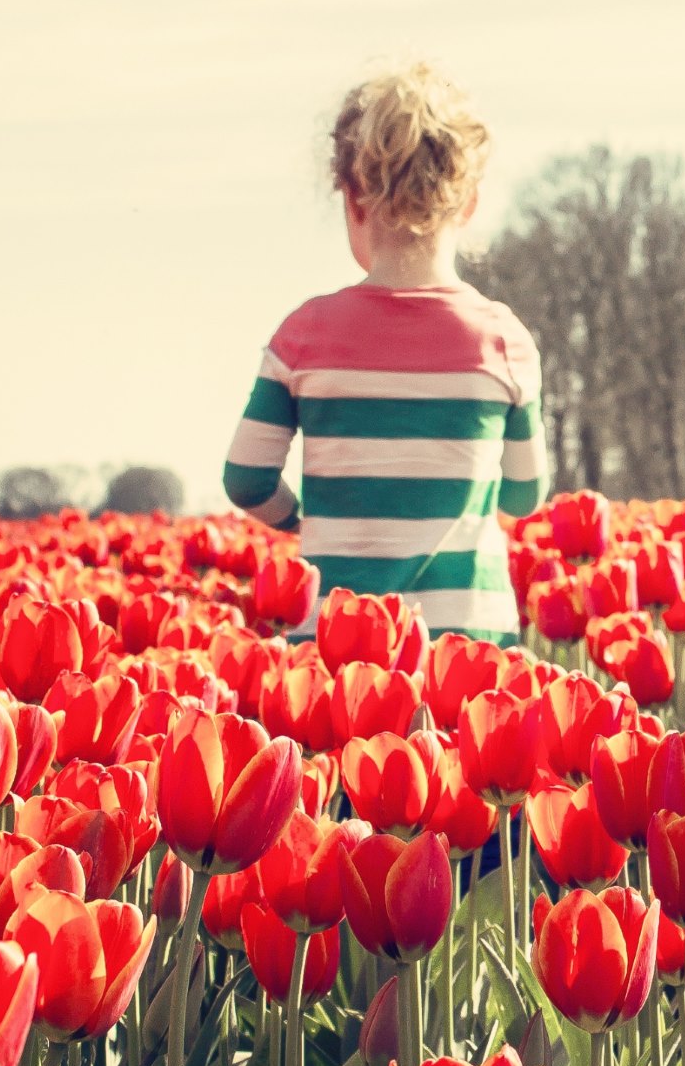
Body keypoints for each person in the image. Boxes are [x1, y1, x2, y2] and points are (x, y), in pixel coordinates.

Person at [222, 62, 548, 642]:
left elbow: (246, 478)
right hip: (467, 635)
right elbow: (525, 495)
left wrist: (303, 520)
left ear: (352, 199)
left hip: (335, 636)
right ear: (469, 203)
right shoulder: (502, 340)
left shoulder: (305, 335)